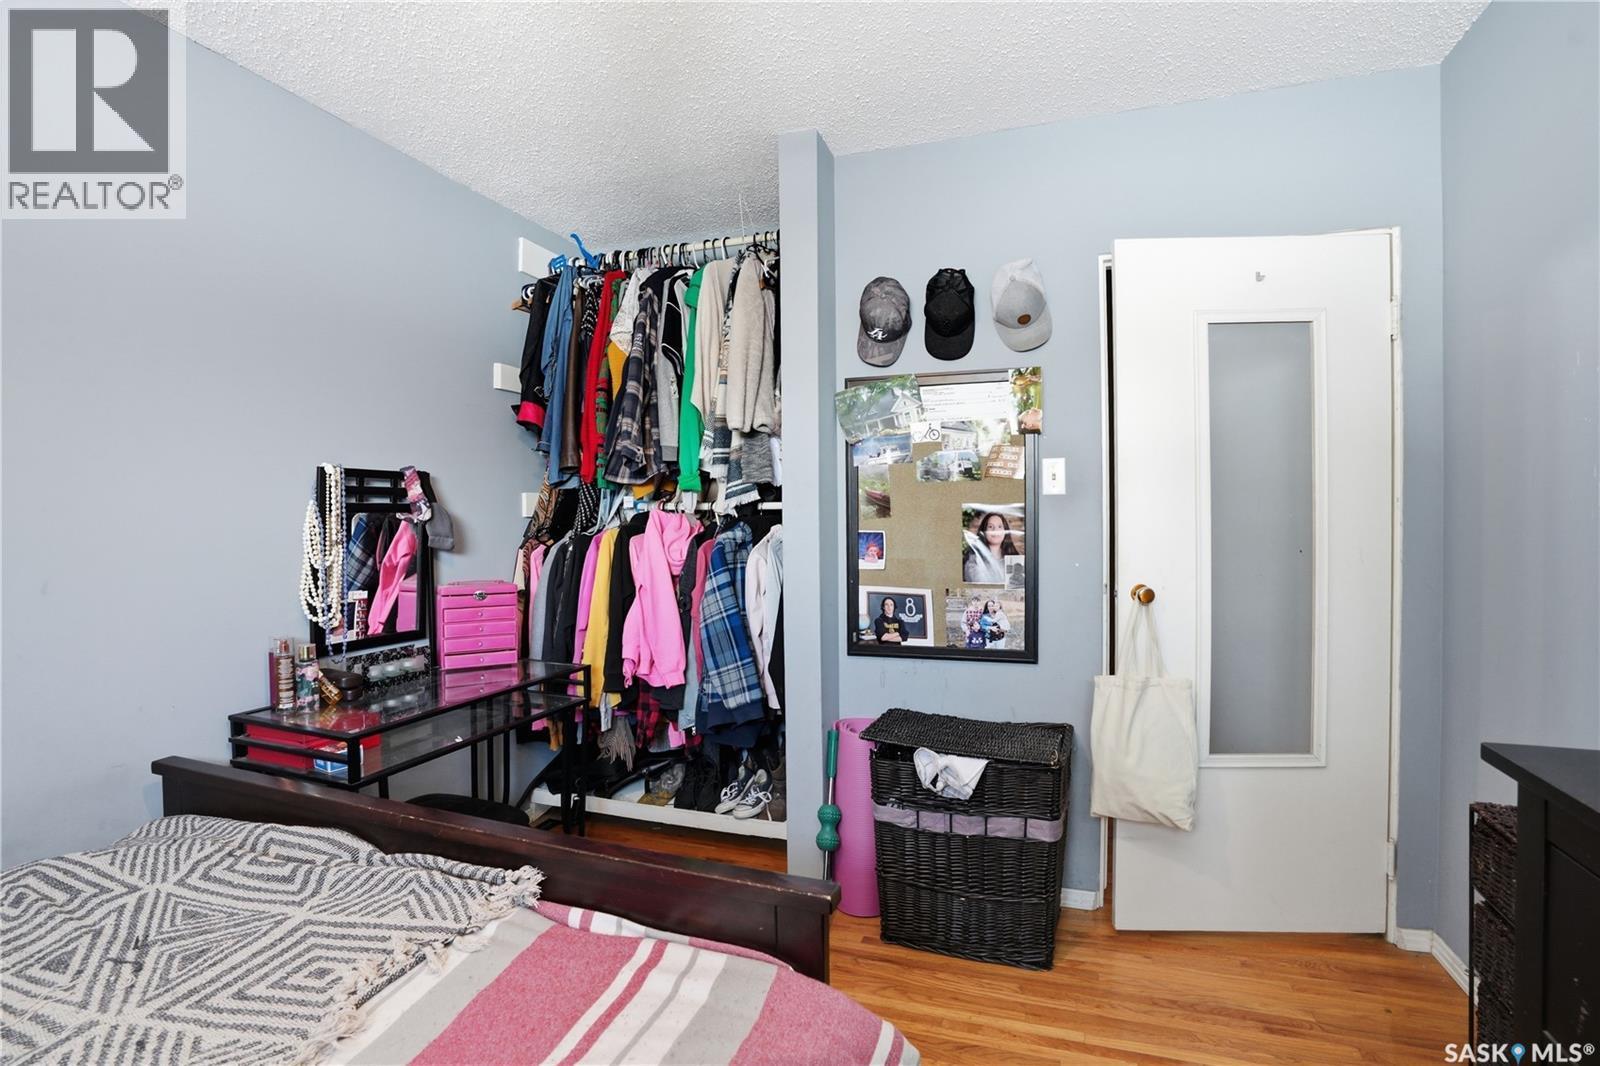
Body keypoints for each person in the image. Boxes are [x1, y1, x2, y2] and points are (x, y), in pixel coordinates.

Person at [962, 510, 1021, 584]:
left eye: (1000, 527)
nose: (995, 530)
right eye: (990, 526)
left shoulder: (1015, 559)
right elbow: (980, 587)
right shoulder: (974, 560)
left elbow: (1018, 587)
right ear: (983, 531)